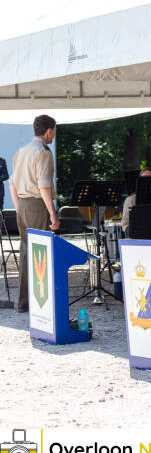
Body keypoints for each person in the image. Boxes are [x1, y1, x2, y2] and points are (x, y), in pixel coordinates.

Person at [9, 115, 59, 313]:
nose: (54, 134)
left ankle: (24, 301)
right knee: (42, 252)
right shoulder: (43, 152)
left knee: (25, 252)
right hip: (37, 204)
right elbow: (44, 187)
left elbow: (12, 184)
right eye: (54, 130)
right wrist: (53, 214)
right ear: (48, 131)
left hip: (22, 205)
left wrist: (19, 207)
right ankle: (42, 299)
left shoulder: (21, 151)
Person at [120, 168, 151, 233]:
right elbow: (124, 225)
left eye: (150, 178)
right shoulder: (131, 200)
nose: (147, 181)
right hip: (139, 236)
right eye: (144, 179)